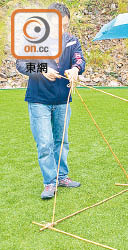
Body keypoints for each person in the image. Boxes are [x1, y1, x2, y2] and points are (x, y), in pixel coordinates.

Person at [16, 2, 85, 199]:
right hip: (39, 99)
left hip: (63, 99)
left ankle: (62, 176)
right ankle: (49, 182)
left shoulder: (72, 41)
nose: (62, 29)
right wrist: (42, 71)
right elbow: (20, 65)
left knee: (61, 140)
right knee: (45, 143)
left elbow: (80, 61)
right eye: (58, 25)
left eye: (65, 25)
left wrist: (75, 70)